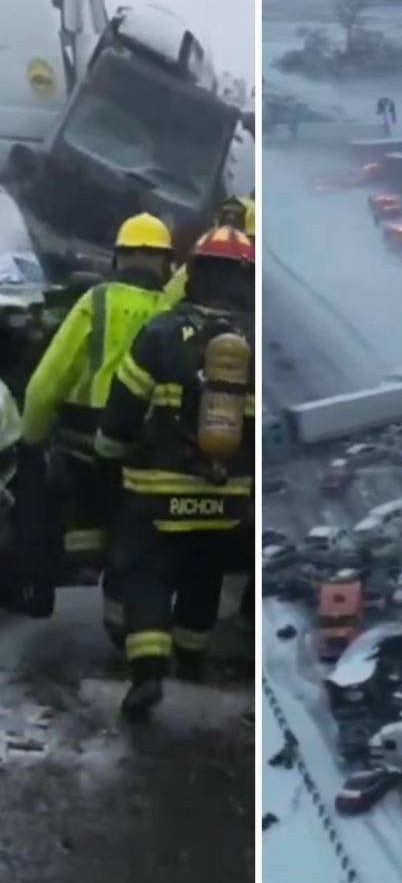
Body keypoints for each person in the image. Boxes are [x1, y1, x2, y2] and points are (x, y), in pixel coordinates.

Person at [96, 226, 255, 720]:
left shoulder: (163, 331)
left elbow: (123, 408)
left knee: (145, 573)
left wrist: (106, 456)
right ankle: (192, 658)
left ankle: (147, 672)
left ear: (193, 272)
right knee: (203, 574)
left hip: (156, 490)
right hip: (228, 493)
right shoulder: (252, 340)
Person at [17, 214, 174, 615]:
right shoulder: (173, 312)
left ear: (119, 259)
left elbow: (47, 381)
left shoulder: (97, 301)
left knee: (46, 486)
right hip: (146, 445)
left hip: (84, 438)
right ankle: (119, 607)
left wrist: (31, 441)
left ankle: (59, 566)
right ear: (166, 263)